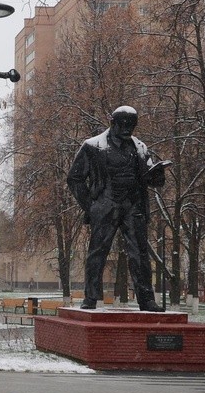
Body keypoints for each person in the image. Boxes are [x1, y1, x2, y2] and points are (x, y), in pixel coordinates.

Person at [66, 106, 169, 312]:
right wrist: (91, 206)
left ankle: (146, 299)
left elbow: (148, 177)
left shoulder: (140, 147)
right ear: (112, 123)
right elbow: (74, 178)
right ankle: (91, 297)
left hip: (133, 207)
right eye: (123, 125)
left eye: (131, 126)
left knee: (139, 254)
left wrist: (157, 176)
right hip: (106, 207)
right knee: (97, 253)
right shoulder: (92, 146)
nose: (127, 130)